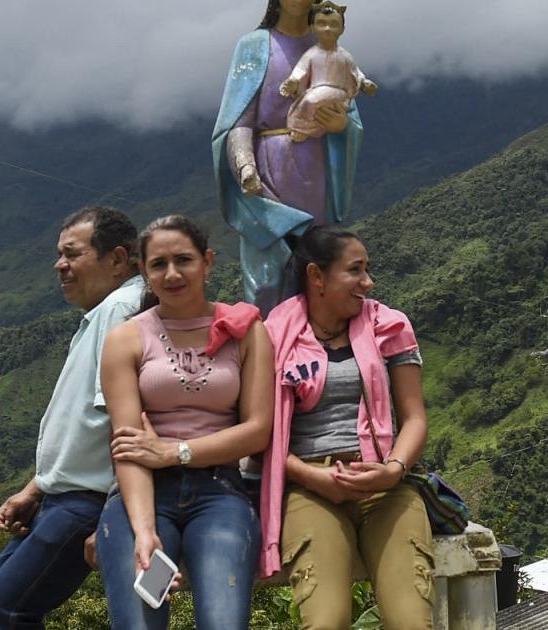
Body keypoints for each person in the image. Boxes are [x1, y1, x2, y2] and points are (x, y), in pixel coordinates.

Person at [93, 215, 274, 629]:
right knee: (142, 621)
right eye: (158, 264)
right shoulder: (126, 339)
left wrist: (174, 451)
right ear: (143, 271)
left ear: (207, 262)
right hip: (142, 502)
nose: (172, 274)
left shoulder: (246, 331)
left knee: (222, 623)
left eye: (184, 260)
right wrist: (143, 533)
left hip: (219, 497)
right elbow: (128, 445)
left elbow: (257, 429)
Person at [0, 206, 144, 629]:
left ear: (118, 259)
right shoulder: (103, 313)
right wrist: (34, 489)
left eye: (72, 253)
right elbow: (86, 423)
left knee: (6, 610)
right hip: (60, 498)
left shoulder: (119, 311)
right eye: (59, 254)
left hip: (85, 501)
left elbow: (126, 424)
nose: (60, 265)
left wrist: (119, 514)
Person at [261, 227, 432, 629]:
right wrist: (310, 476)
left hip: (384, 486)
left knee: (410, 619)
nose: (368, 283)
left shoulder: (388, 325)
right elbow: (259, 434)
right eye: (355, 271)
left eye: (367, 271)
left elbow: (415, 417)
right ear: (317, 277)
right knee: (326, 620)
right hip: (309, 489)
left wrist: (392, 471)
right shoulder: (273, 336)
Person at [213, 0, 363, 314]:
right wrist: (245, 167)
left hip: (318, 176)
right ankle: (269, 352)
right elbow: (237, 121)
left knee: (320, 273)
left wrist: (340, 125)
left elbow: (350, 119)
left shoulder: (330, 49)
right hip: (268, 176)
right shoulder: (253, 46)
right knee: (268, 278)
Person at [281, 2, 379, 143]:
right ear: (312, 27)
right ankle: (306, 129)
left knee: (312, 101)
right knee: (309, 102)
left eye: (333, 24)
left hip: (337, 95)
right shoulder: (311, 54)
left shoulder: (344, 56)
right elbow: (300, 70)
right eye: (322, 24)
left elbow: (355, 73)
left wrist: (364, 83)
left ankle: (306, 129)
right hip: (316, 91)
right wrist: (293, 82)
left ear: (342, 29)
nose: (327, 29)